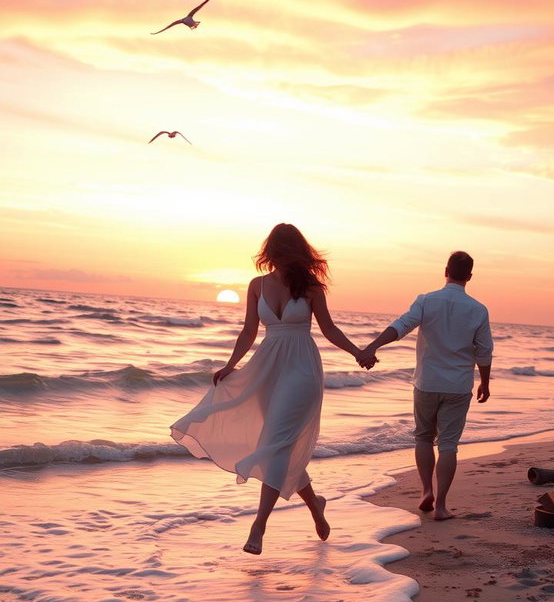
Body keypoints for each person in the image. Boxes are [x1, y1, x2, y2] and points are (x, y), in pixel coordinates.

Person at [171, 223, 368, 555]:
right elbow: (249, 330)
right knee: (278, 445)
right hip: (267, 368)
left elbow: (329, 329)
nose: (278, 257)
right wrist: (232, 365)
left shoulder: (311, 289)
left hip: (302, 369)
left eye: (283, 251)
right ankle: (315, 505)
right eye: (276, 252)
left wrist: (357, 352)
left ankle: (258, 526)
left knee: (277, 443)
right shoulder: (257, 285)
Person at [357, 251, 493, 521]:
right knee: (448, 444)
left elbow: (401, 326)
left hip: (427, 383)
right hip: (458, 386)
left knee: (423, 438)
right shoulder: (478, 309)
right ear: (469, 276)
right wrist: (485, 383)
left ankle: (426, 490)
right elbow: (484, 351)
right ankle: (441, 506)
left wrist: (372, 346)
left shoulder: (426, 301)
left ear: (446, 270)